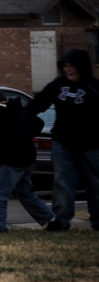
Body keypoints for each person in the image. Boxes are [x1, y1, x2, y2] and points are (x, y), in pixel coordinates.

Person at [26, 49, 99, 231]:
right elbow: (39, 102)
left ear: (81, 67)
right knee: (62, 182)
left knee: (95, 183)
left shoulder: (94, 87)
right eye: (65, 66)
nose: (68, 70)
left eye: (72, 66)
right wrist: (23, 117)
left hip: (91, 144)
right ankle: (61, 221)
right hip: (63, 143)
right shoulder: (58, 85)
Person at [0, 90, 55, 233]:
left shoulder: (6, 115)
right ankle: (51, 218)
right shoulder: (19, 109)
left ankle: (1, 228)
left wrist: (8, 140)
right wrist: (26, 136)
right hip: (28, 157)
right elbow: (38, 122)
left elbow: (0, 137)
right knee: (25, 192)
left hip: (13, 159)